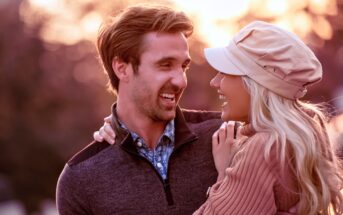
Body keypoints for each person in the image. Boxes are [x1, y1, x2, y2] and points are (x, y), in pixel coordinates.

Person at [97, 21, 343, 214]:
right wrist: (121, 126)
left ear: (254, 84)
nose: (215, 82)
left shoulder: (262, 149)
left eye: (225, 73)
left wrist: (226, 176)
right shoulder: (305, 132)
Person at [56, 4, 223, 215]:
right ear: (122, 68)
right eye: (165, 64)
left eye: (183, 66)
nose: (180, 81)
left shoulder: (225, 134)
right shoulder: (80, 180)